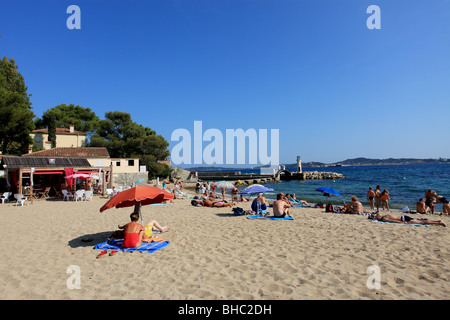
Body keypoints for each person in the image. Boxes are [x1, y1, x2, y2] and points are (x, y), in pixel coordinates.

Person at [370, 212, 446, 227]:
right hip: (404, 216)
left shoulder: (384, 218)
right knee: (421, 221)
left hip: (404, 219)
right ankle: (438, 222)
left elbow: (393, 221)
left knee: (422, 222)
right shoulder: (386, 214)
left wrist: (402, 223)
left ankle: (439, 222)